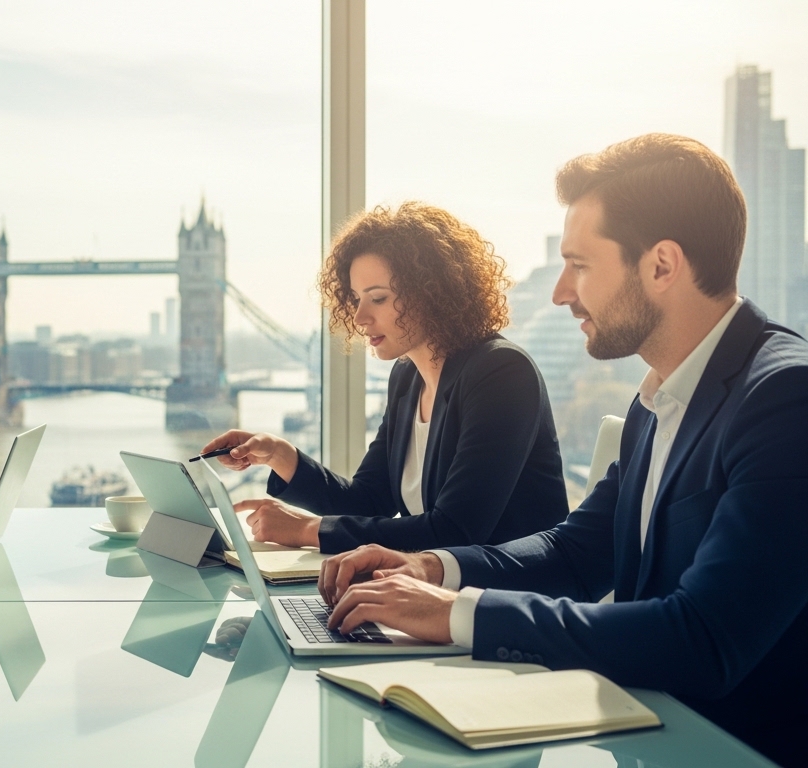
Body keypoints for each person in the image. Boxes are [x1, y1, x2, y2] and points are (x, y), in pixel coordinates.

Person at [317, 134, 808, 767]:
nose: (560, 293)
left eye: (579, 265)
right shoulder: (657, 399)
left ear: (661, 265)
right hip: (642, 731)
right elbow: (576, 553)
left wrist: (460, 615)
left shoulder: (784, 399)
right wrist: (433, 569)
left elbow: (703, 639)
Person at [202, 202, 567, 554]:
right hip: (431, 592)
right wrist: (280, 455)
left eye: (377, 298)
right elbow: (368, 500)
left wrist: (307, 530)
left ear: (432, 294)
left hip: (507, 602)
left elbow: (456, 530)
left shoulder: (501, 373)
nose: (359, 316)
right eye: (356, 298)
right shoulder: (407, 377)